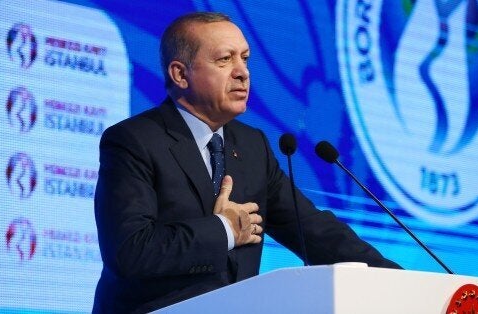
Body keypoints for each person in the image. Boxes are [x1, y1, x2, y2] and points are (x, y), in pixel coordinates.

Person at [92, 12, 400, 313]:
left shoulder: (252, 146)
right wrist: (224, 230)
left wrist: (397, 279)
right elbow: (131, 251)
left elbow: (313, 230)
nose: (243, 72)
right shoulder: (134, 141)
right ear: (180, 74)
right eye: (225, 60)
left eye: (245, 58)